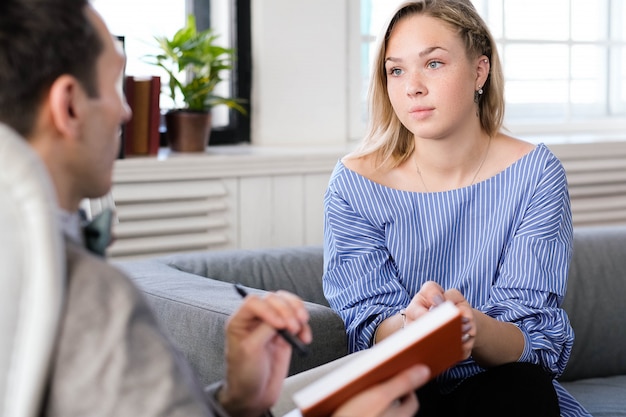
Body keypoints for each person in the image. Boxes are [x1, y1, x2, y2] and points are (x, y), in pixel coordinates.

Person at [0, 0, 432, 416]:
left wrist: (237, 401)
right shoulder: (92, 297)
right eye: (116, 86)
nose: (127, 110)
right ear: (69, 106)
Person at [322, 1, 590, 416]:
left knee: (520, 387)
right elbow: (362, 327)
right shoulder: (353, 184)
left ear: (479, 71)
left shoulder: (535, 174)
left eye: (433, 63)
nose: (412, 86)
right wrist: (411, 327)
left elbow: (536, 339)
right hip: (406, 383)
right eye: (396, 70)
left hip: (504, 387)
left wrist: (472, 327)